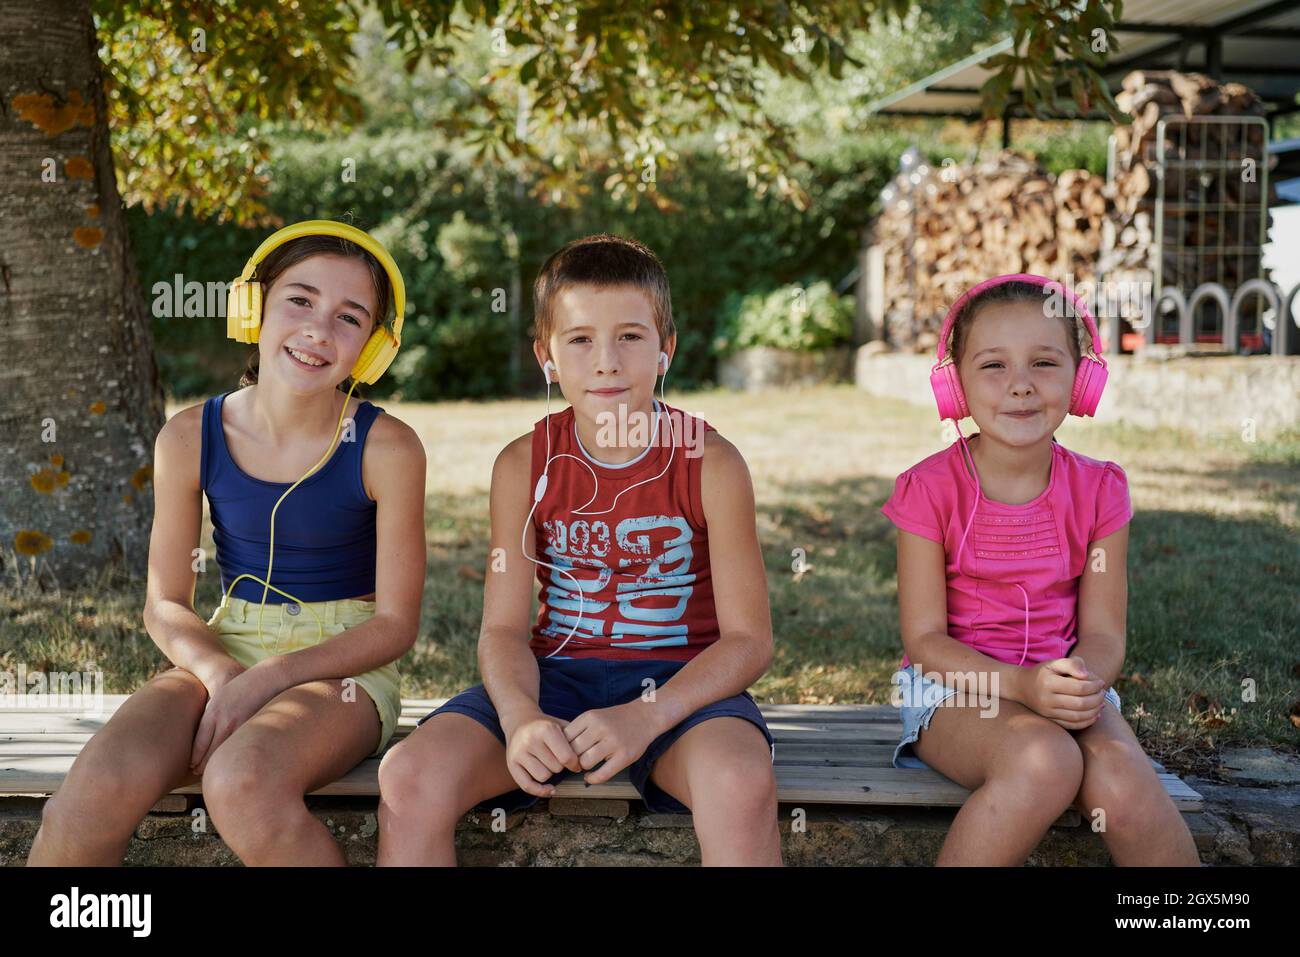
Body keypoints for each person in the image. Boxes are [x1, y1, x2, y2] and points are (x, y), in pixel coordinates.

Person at [28, 221, 427, 866]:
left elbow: (395, 626)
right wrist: (221, 673)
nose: (318, 330)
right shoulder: (189, 437)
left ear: (372, 350)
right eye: (299, 299)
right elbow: (165, 603)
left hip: (345, 669)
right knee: (91, 792)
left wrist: (270, 678)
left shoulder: (388, 448)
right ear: (254, 307)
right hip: (226, 644)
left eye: (349, 318)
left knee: (241, 782)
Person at [377, 233, 780, 866]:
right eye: (580, 339)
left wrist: (647, 715)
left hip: (682, 688)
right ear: (547, 357)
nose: (607, 362)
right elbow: (503, 629)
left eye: (630, 336)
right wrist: (519, 718)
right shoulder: (522, 465)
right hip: (554, 680)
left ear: (666, 349)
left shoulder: (712, 463)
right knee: (409, 776)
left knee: (739, 782)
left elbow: (749, 641)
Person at [881, 273, 1200, 866]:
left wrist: (1081, 682)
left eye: (1045, 363)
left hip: (1064, 685)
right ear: (954, 386)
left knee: (1121, 780)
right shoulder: (927, 490)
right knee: (1045, 761)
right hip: (955, 688)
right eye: (994, 366)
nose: (1021, 386)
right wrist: (1021, 685)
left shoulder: (1102, 489)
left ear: (1082, 381)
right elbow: (924, 642)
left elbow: (1104, 635)